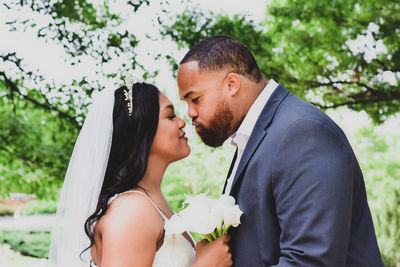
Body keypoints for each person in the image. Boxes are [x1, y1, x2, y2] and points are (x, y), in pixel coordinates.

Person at [176, 35, 384, 266]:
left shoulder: (303, 133)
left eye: (195, 99)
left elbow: (310, 261)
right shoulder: (259, 135)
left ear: (231, 84)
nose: (190, 113)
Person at [49, 80, 232, 267]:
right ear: (141, 130)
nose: (182, 122)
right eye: (170, 116)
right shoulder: (132, 210)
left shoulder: (150, 201)